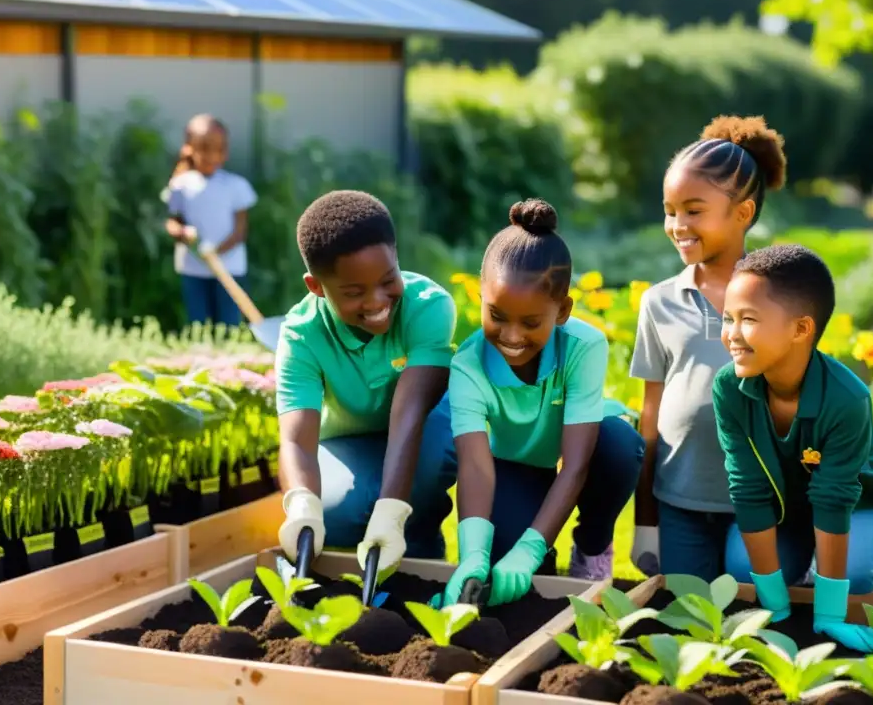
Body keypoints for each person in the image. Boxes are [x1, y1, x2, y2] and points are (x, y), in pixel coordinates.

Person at [440, 199, 644, 607]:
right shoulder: (467, 365)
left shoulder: (584, 346)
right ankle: (537, 552)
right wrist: (474, 556)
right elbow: (476, 466)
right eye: (496, 315)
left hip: (585, 449)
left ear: (563, 310)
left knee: (621, 446)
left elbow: (577, 464)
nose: (511, 336)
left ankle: (591, 545)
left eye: (531, 323)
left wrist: (529, 548)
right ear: (481, 296)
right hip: (514, 462)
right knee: (501, 566)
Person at [714, 244, 873, 652]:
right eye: (728, 318)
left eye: (748, 320)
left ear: (801, 329)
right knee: (743, 569)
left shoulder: (846, 398)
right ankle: (803, 568)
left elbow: (835, 497)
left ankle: (870, 563)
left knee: (853, 577)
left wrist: (830, 615)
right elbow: (747, 487)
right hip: (791, 508)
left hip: (859, 505)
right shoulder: (729, 387)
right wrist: (774, 604)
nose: (731, 334)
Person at [629, 115, 787, 580]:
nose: (677, 225)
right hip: (680, 501)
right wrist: (645, 520)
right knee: (688, 616)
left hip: (760, 504)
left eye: (693, 210)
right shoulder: (658, 302)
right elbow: (650, 414)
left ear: (742, 214)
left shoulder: (779, 297)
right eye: (670, 210)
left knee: (754, 619)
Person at [275, 190, 457, 579]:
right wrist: (303, 504)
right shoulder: (301, 334)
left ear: (396, 255)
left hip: (424, 425)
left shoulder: (428, 306)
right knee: (337, 511)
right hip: (350, 437)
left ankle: (422, 544)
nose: (377, 301)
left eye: (388, 279)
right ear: (316, 286)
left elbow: (408, 416)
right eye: (354, 292)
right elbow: (295, 440)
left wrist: (391, 509)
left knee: (417, 482)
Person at [164, 114, 257, 327]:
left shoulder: (236, 186)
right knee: (198, 323)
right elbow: (172, 222)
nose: (212, 155)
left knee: (229, 324)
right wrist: (181, 233)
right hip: (193, 267)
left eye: (219, 149)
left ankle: (229, 359)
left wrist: (215, 252)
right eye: (205, 148)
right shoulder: (180, 185)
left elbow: (240, 231)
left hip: (229, 268)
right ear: (190, 148)